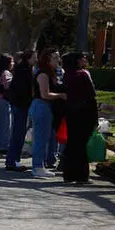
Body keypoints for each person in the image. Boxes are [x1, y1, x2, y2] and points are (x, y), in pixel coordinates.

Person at [60, 52, 98, 184]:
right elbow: (91, 94)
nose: (85, 60)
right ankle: (81, 175)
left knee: (72, 142)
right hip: (84, 112)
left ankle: (69, 173)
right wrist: (95, 117)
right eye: (83, 58)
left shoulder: (67, 75)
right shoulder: (83, 74)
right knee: (81, 144)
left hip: (71, 111)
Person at [30, 47, 66, 178]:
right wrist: (60, 95)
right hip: (42, 106)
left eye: (58, 57)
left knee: (43, 137)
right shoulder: (43, 74)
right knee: (40, 138)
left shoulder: (51, 73)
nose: (58, 60)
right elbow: (45, 94)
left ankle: (40, 165)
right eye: (55, 57)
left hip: (44, 107)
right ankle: (37, 167)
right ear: (47, 59)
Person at [5, 50, 35, 172]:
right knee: (18, 133)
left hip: (18, 103)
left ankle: (12, 160)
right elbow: (25, 89)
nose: (36, 60)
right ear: (28, 59)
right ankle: (13, 160)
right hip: (22, 104)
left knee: (17, 133)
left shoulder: (19, 70)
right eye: (34, 57)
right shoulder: (25, 71)